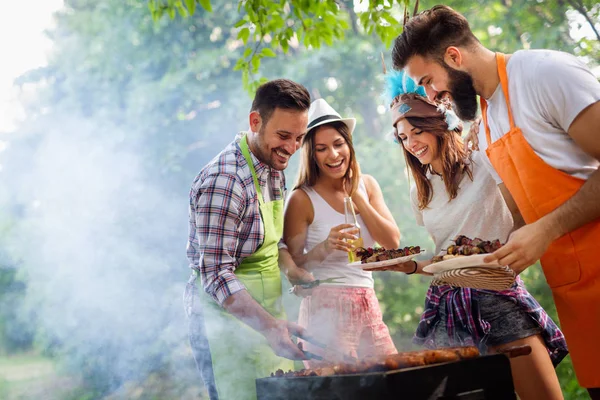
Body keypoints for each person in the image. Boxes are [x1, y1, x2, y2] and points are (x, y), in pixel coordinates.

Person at [391, 5, 600, 394]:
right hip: (576, 295)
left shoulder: (543, 73)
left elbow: (542, 222)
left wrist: (548, 228)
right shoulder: (485, 126)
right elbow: (521, 219)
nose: (432, 95)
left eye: (429, 81)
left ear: (454, 57)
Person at [381, 70, 567, 400]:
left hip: (498, 297)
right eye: (403, 137)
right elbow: (447, 262)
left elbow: (522, 215)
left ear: (438, 125)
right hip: (447, 308)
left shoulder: (482, 161)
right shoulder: (419, 191)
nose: (411, 143)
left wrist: (512, 259)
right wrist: (410, 266)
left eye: (417, 131)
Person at [184, 79, 316, 400]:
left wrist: (292, 271)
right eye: (283, 136)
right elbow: (215, 274)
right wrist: (270, 326)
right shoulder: (224, 181)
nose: (292, 148)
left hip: (268, 317)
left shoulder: (272, 165)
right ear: (255, 121)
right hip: (225, 325)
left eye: (299, 137)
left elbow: (269, 243)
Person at [283, 98, 399, 367]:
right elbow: (294, 266)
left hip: (367, 301)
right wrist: (325, 247)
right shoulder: (302, 198)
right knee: (340, 391)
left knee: (393, 381)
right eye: (322, 149)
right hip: (325, 309)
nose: (333, 155)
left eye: (338, 144)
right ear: (311, 155)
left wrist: (359, 199)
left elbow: (392, 241)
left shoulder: (367, 185)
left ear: (349, 145)